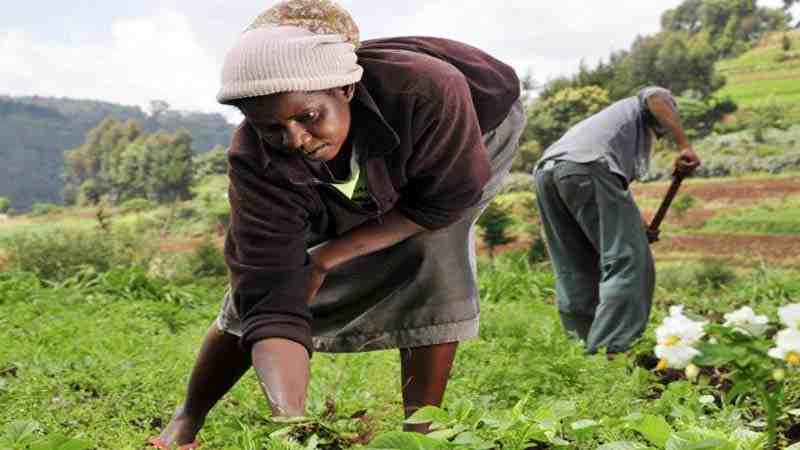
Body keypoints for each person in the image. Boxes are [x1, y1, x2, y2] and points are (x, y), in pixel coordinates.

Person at [148, 0, 523, 447]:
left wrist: (329, 256)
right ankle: (188, 416)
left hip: (472, 134)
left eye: (307, 118)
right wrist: (295, 426)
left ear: (344, 90)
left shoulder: (426, 90)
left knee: (431, 253)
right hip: (375, 140)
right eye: (272, 128)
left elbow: (442, 202)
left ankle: (423, 433)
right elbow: (270, 297)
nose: (295, 140)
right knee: (260, 288)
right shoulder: (258, 157)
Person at [533, 86, 700, 356]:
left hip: (548, 174)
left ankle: (579, 348)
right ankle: (610, 352)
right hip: (585, 168)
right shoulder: (646, 103)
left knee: (575, 264)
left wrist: (640, 226)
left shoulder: (612, 130)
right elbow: (656, 96)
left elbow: (610, 196)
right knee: (630, 261)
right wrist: (685, 146)